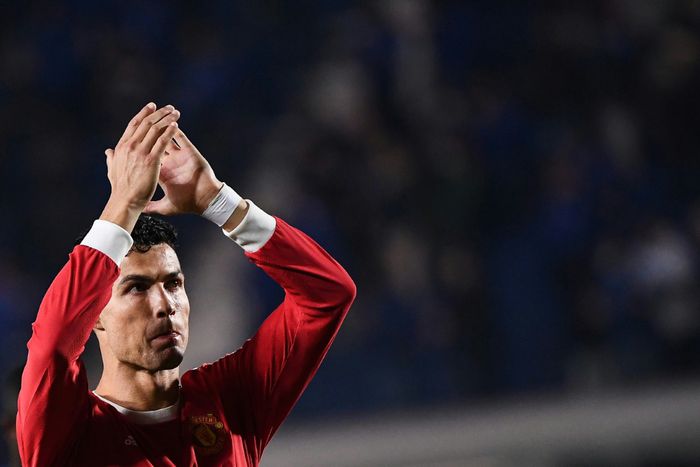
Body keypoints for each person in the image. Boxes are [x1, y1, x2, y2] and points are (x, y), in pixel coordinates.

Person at [15, 103, 356, 466]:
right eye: (137, 288)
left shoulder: (230, 401)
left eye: (173, 283)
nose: (165, 304)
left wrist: (219, 203)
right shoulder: (66, 431)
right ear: (93, 314)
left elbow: (329, 295)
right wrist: (123, 205)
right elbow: (52, 344)